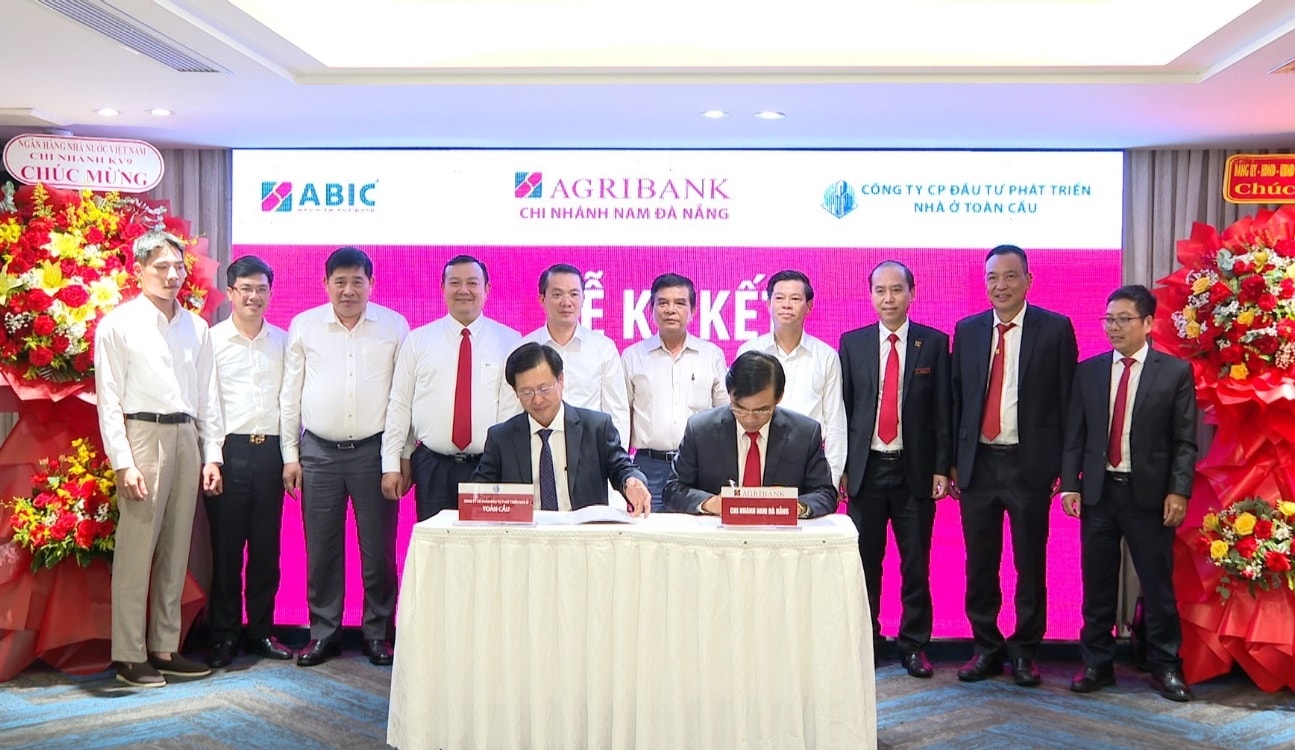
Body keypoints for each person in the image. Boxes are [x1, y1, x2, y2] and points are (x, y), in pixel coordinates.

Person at [95, 230, 224, 687]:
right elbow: (108, 400)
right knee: (137, 549)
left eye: (178, 267)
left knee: (176, 547)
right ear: (139, 271)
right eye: (161, 267)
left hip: (186, 434)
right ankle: (130, 656)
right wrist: (123, 461)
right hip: (142, 435)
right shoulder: (118, 324)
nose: (172, 275)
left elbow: (208, 396)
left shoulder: (197, 327)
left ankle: (165, 648)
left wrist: (212, 454)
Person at [1061, 284, 1197, 702]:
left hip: (1150, 497)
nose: (1113, 327)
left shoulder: (1173, 372)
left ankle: (1166, 665)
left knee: (1157, 586)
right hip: (1100, 493)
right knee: (1097, 583)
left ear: (1148, 323)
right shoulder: (1089, 371)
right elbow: (1075, 434)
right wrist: (1070, 484)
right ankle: (1096, 663)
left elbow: (1185, 441)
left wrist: (1178, 491)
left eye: (1123, 319)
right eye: (1109, 319)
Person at [951, 244, 1077, 687]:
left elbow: (1070, 404)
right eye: (992, 277)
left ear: (1028, 280)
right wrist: (951, 463)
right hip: (979, 466)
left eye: (1009, 276)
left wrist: (1065, 470)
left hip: (1029, 465)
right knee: (979, 564)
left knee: (1030, 563)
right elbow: (955, 401)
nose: (1000, 285)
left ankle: (1025, 651)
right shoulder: (967, 330)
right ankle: (986, 647)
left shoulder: (1055, 329)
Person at [281, 247, 410, 667]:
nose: (349, 290)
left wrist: (396, 458)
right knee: (321, 550)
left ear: (372, 284)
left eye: (357, 281)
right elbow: (290, 395)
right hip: (318, 452)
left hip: (374, 452)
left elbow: (401, 399)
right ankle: (323, 634)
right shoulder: (304, 326)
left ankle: (378, 634)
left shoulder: (394, 326)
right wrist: (290, 455)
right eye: (340, 282)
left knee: (378, 552)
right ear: (326, 284)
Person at [839, 260, 952, 678]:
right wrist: (843, 467)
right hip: (866, 471)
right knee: (864, 562)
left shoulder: (934, 343)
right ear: (870, 295)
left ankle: (914, 644)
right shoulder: (852, 344)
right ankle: (865, 641)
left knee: (915, 564)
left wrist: (942, 467)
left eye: (896, 289)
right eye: (880, 290)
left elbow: (943, 411)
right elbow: (844, 409)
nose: (888, 298)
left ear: (912, 293)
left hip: (913, 471)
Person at [382, 255, 520, 521]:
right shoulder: (418, 341)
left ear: (487, 289)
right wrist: (392, 462)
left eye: (472, 283)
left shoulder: (510, 341)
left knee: (486, 544)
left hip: (489, 467)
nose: (463, 290)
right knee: (435, 543)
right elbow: (400, 404)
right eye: (455, 282)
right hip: (433, 466)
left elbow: (511, 413)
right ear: (442, 288)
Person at [205, 256, 294, 668]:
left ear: (270, 294)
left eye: (261, 289)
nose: (253, 297)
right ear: (230, 293)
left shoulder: (284, 341)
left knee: (266, 548)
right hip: (230, 452)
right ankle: (223, 634)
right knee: (226, 549)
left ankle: (260, 630)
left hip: (271, 453)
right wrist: (212, 457)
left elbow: (289, 403)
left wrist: (290, 457)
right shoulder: (212, 341)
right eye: (246, 289)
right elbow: (208, 404)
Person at [473, 343, 651, 514]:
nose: (537, 400)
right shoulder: (501, 438)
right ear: (515, 392)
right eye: (527, 392)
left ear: (561, 380)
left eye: (544, 389)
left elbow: (622, 468)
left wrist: (631, 482)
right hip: (526, 532)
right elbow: (476, 494)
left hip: (582, 531)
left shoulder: (596, 428)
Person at [664, 351, 837, 518]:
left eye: (761, 410)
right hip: (719, 533)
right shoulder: (700, 430)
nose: (750, 418)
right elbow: (673, 489)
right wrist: (711, 503)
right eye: (739, 408)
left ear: (779, 397)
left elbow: (826, 493)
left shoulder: (805, 434)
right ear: (729, 395)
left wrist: (795, 507)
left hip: (779, 534)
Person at [623, 273, 728, 511]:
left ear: (693, 310)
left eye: (680, 303)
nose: (671, 310)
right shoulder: (632, 356)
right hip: (647, 467)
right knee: (646, 531)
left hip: (697, 466)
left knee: (696, 531)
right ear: (651, 309)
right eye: (663, 303)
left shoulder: (711, 355)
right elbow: (623, 416)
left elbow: (723, 416)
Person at [738, 269, 847, 488]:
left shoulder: (826, 356)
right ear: (768, 304)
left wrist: (832, 482)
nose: (786, 305)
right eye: (779, 298)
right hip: (757, 456)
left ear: (809, 306)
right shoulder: (749, 352)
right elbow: (737, 411)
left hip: (809, 460)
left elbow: (835, 422)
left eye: (795, 299)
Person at [519, 263, 630, 448]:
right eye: (557, 294)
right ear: (542, 299)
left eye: (573, 294)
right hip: (538, 450)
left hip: (590, 450)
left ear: (583, 298)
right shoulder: (523, 348)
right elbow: (511, 413)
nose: (566, 302)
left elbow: (617, 413)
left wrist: (617, 460)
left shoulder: (603, 348)